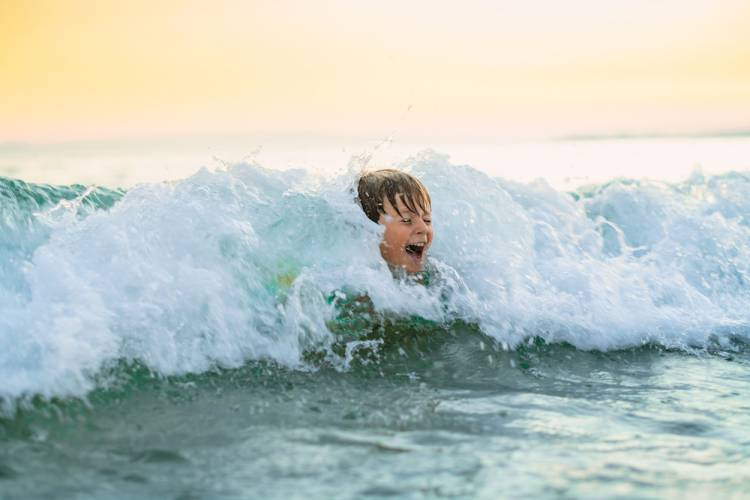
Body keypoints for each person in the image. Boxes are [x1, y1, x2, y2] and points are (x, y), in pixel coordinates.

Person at [356, 169, 433, 276]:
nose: (424, 228)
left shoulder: (437, 277)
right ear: (371, 230)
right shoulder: (359, 286)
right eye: (406, 220)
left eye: (427, 220)